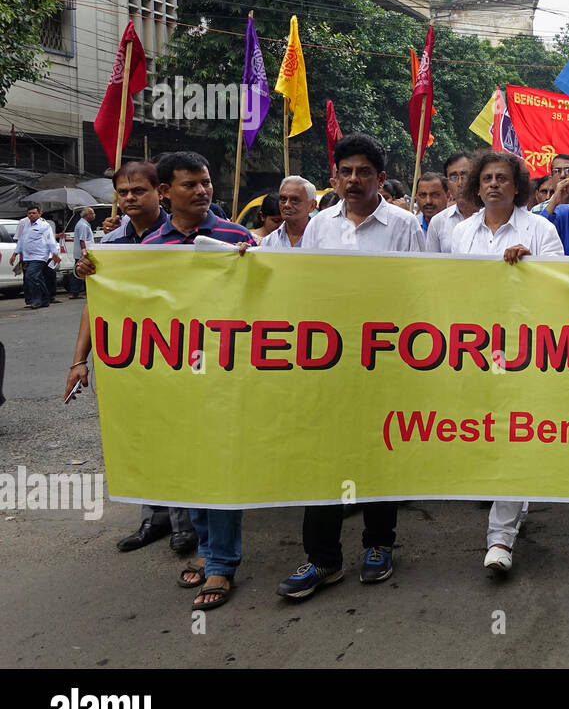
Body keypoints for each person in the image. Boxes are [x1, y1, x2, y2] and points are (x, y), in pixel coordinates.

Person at [276, 134, 424, 603]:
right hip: (328, 362)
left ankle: (379, 545)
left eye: (364, 172)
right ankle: (323, 559)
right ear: (334, 178)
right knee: (321, 456)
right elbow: (304, 287)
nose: (354, 180)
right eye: (346, 171)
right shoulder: (319, 226)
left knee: (378, 451)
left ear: (380, 178)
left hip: (385, 361)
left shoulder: (405, 226)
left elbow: (419, 292)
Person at [139, 152, 257, 610]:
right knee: (191, 468)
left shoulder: (237, 237)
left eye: (205, 182)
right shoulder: (148, 250)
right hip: (176, 377)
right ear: (165, 192)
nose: (202, 190)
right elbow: (136, 307)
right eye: (190, 184)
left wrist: (259, 265)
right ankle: (208, 551)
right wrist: (99, 274)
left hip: (226, 373)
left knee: (221, 465)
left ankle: (222, 565)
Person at [67, 160, 197, 557]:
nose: (128, 199)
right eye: (122, 193)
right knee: (140, 437)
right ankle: (153, 517)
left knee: (178, 438)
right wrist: (79, 361)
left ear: (160, 191)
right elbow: (97, 304)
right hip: (130, 361)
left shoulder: (180, 235)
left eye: (137, 191)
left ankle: (185, 523)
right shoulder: (112, 245)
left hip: (179, 356)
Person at [450, 150, 563, 575]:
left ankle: (500, 538)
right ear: (476, 187)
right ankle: (515, 498)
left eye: (503, 178)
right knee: (485, 431)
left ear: (518, 186)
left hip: (522, 346)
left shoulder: (541, 230)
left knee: (512, 432)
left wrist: (531, 268)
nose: (494, 184)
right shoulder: (460, 234)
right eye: (487, 178)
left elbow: (557, 289)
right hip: (473, 348)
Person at [426, 152, 478, 253]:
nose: (459, 183)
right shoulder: (438, 222)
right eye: (453, 177)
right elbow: (432, 265)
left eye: (465, 176)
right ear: (447, 183)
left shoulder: (493, 218)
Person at [11, 204, 60, 309]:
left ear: (39, 214)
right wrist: (15, 254)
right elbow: (21, 241)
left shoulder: (44, 225)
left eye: (34, 213)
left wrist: (55, 254)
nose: (31, 215)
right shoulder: (26, 225)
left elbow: (50, 240)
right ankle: (45, 300)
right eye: (29, 213)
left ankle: (36, 300)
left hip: (40, 256)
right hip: (28, 256)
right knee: (37, 278)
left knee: (31, 276)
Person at [259, 176, 315, 248]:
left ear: (312, 206)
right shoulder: (269, 242)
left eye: (295, 200)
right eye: (283, 199)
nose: (287, 205)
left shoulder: (323, 238)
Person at [67, 207, 95, 299]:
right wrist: (84, 251)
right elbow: (82, 240)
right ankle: (74, 292)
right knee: (79, 271)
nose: (94, 215)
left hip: (83, 252)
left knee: (80, 271)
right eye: (92, 213)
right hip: (83, 253)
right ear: (87, 215)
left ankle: (76, 292)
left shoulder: (83, 223)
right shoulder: (83, 225)